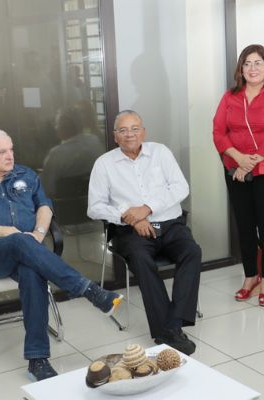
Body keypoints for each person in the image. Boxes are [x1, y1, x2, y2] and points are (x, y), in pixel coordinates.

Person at [0, 128, 123, 382]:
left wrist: (38, 233)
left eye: (11, 149)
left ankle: (37, 360)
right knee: (18, 241)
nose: (10, 156)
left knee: (32, 271)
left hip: (27, 248)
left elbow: (45, 206)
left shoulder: (26, 175)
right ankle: (90, 291)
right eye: (2, 151)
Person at [87, 110, 202, 355]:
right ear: (115, 136)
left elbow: (181, 187)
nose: (130, 134)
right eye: (123, 130)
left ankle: (172, 323)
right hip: (129, 231)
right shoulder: (104, 164)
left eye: (135, 128)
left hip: (170, 224)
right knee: (141, 259)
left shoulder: (160, 152)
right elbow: (94, 208)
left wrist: (146, 208)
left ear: (144, 131)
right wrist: (128, 216)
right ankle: (168, 332)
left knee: (191, 251)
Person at [212, 44, 264, 306]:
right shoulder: (230, 97)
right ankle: (250, 277)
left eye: (258, 63)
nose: (253, 68)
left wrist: (250, 163)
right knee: (244, 226)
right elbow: (218, 132)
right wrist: (239, 160)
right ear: (241, 69)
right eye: (247, 63)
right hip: (235, 169)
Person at [40, 106, 104, 198]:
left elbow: (45, 190)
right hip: (93, 202)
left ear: (64, 127)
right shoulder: (94, 141)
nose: (55, 127)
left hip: (64, 209)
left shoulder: (57, 154)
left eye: (57, 123)